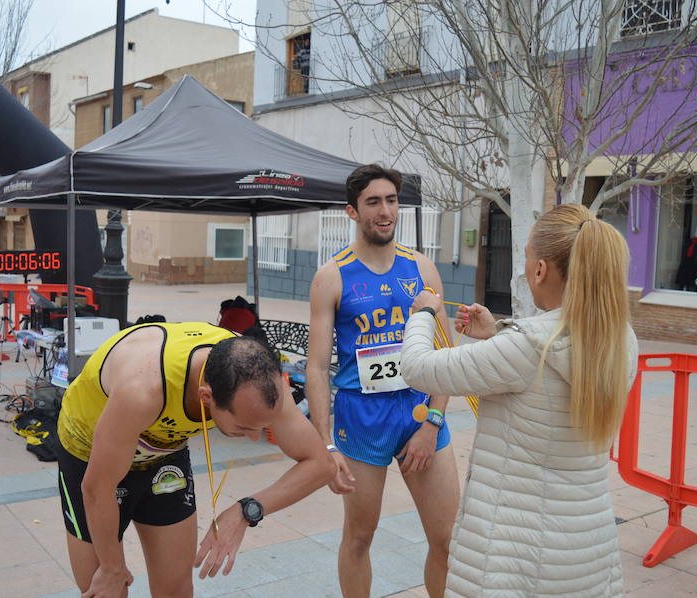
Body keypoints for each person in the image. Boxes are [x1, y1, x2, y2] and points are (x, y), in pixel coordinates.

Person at [400, 203, 638, 597]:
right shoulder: (620, 339)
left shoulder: (528, 348)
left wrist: (424, 314)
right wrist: (498, 334)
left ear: (542, 269)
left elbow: (418, 366)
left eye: (527, 259)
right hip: (586, 546)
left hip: (516, 552)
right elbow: (542, 379)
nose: (525, 271)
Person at [55, 322, 335, 598]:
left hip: (163, 449)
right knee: (105, 589)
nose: (254, 438)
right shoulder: (143, 389)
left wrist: (246, 510)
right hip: (89, 453)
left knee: (175, 590)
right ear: (206, 396)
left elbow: (321, 465)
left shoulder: (259, 378)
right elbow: (97, 488)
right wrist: (112, 567)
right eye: (244, 428)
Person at [306, 164, 459, 598]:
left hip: (418, 409)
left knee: (447, 539)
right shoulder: (331, 276)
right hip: (361, 417)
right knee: (359, 538)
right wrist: (326, 445)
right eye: (373, 201)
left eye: (391, 200)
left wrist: (432, 422)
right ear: (352, 211)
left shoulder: (422, 269)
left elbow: (444, 352)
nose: (385, 210)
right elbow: (317, 368)